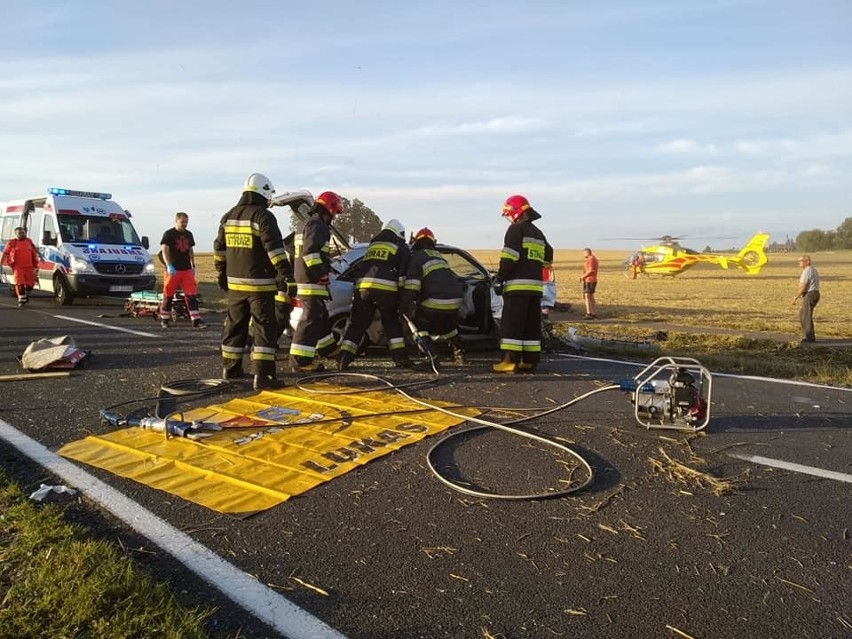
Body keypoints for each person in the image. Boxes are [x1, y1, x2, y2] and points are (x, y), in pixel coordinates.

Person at [214, 173, 291, 390]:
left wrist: (221, 275)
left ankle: (231, 369)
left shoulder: (228, 216)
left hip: (235, 286)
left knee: (235, 327)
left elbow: (219, 250)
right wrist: (287, 275)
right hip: (260, 286)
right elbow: (275, 251)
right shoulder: (262, 216)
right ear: (263, 192)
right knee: (263, 329)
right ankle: (263, 377)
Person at [338, 219, 411, 369]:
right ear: (400, 233)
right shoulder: (400, 247)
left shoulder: (373, 246)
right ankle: (400, 359)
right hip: (386, 291)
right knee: (391, 324)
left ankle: (343, 359)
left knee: (357, 325)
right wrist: (403, 297)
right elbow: (403, 276)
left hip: (363, 289)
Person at [492, 195, 553, 374]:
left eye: (508, 214)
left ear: (516, 213)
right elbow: (549, 254)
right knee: (530, 326)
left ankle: (509, 362)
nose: (508, 218)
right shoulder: (538, 233)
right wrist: (534, 267)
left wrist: (500, 278)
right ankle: (530, 362)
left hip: (517, 286)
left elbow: (509, 256)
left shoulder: (515, 230)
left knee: (512, 324)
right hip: (535, 288)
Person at [289, 191, 345, 372]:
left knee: (319, 316)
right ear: (329, 209)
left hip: (306, 278)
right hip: (311, 279)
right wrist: (321, 273)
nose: (334, 217)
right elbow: (311, 253)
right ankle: (300, 361)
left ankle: (328, 348)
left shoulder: (306, 223)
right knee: (311, 319)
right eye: (335, 213)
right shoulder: (317, 225)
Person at [398, 227, 466, 367]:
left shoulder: (417, 257)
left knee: (419, 325)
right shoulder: (438, 256)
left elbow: (412, 286)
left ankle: (431, 357)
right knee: (447, 326)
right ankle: (460, 353)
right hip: (455, 300)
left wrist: (404, 306)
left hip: (436, 301)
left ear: (416, 242)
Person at [158, 211, 207, 329]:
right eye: (182, 222)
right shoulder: (169, 234)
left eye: (186, 222)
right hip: (173, 269)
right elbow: (164, 250)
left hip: (186, 270)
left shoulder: (189, 234)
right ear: (176, 221)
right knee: (168, 294)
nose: (185, 224)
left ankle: (196, 320)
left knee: (191, 294)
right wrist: (169, 265)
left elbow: (190, 250)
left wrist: (193, 265)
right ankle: (165, 319)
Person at [1, 226, 40, 307]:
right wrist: (0, 263)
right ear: (16, 234)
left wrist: (39, 256)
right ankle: (22, 300)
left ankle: (26, 294)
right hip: (18, 267)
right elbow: (5, 253)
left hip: (29, 266)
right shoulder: (12, 243)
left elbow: (34, 249)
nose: (22, 234)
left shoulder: (29, 241)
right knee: (20, 283)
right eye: (20, 233)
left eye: (23, 232)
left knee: (31, 284)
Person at [792, 254, 820, 343]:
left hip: (810, 294)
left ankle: (810, 337)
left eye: (801, 261)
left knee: (806, 316)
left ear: (807, 262)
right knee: (802, 314)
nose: (799, 263)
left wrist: (796, 297)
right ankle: (807, 334)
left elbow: (803, 286)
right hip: (815, 293)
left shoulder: (807, 271)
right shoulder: (813, 270)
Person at [580, 247, 599, 318]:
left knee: (587, 296)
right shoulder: (594, 258)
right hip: (592, 279)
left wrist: (583, 276)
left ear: (587, 252)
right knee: (590, 296)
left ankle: (589, 313)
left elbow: (591, 270)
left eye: (584, 253)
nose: (583, 255)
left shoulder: (591, 259)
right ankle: (593, 313)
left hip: (589, 280)